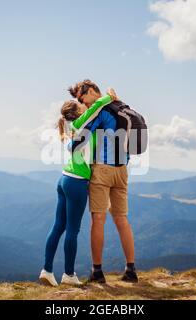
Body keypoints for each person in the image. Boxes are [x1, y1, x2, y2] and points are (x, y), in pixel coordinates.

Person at [39, 88, 118, 287]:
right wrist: (109, 97)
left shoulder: (69, 126)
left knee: (58, 226)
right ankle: (68, 275)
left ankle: (47, 270)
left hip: (64, 178)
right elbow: (97, 107)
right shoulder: (79, 123)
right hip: (76, 182)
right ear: (78, 112)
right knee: (72, 230)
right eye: (82, 106)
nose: (85, 106)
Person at [69, 80, 138, 283]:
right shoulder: (122, 106)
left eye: (83, 99)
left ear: (91, 92)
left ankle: (97, 272)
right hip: (122, 170)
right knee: (122, 219)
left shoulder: (100, 110)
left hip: (102, 170)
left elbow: (79, 127)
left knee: (98, 219)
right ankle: (131, 270)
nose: (85, 105)